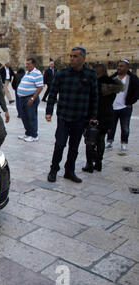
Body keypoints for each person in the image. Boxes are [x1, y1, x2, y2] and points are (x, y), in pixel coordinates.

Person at [46, 46, 98, 183]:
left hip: (80, 117)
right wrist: (49, 111)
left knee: (74, 147)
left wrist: (93, 116)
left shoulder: (90, 75)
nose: (72, 59)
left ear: (83, 58)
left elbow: (94, 97)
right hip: (63, 115)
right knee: (60, 144)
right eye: (71, 56)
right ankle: (53, 170)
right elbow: (52, 93)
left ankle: (70, 171)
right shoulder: (62, 73)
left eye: (75, 56)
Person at [82, 64, 123, 173]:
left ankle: (89, 164)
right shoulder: (113, 85)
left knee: (90, 140)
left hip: (95, 115)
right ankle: (98, 163)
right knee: (101, 139)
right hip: (108, 114)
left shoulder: (95, 84)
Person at [106, 59, 139, 152]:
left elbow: (137, 92)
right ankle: (109, 142)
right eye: (118, 66)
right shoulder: (113, 77)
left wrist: (130, 102)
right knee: (111, 126)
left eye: (121, 66)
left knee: (125, 127)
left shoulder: (132, 78)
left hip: (125, 107)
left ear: (127, 67)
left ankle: (124, 143)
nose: (118, 68)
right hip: (113, 107)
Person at [16, 57, 44, 142]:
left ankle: (34, 135)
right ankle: (28, 133)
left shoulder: (37, 73)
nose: (26, 65)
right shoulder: (27, 73)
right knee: (24, 117)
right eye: (26, 63)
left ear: (33, 64)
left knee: (31, 117)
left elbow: (40, 87)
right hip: (22, 99)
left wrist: (33, 98)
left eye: (28, 64)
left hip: (30, 98)